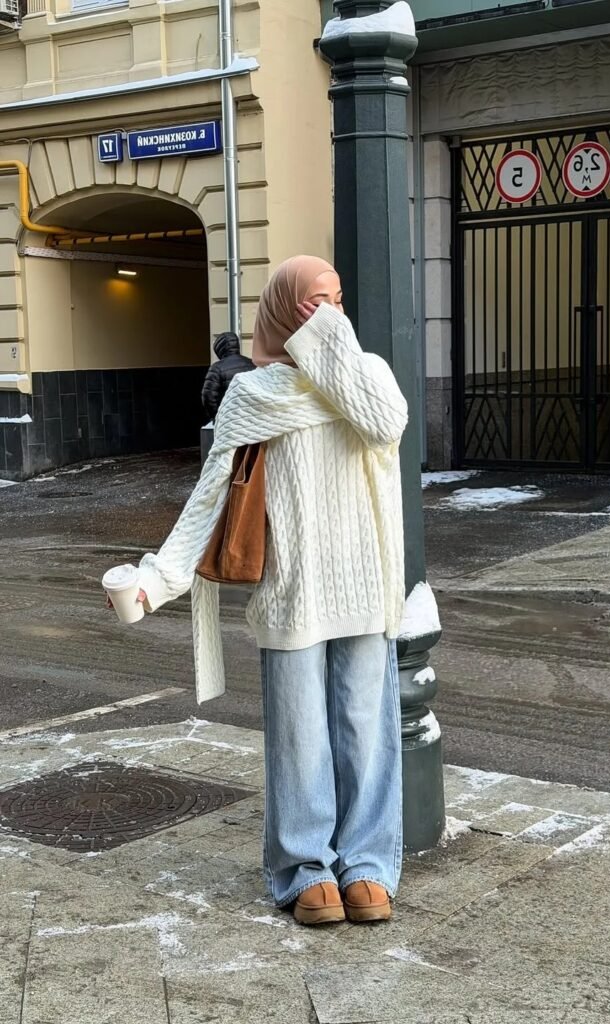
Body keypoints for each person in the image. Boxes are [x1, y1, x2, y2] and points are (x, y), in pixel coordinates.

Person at [111, 255, 408, 926]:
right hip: (291, 593)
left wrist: (326, 341)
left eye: (334, 300)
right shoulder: (253, 395)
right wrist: (158, 578)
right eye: (309, 305)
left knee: (366, 733)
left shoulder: (367, 377)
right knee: (300, 739)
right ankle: (304, 871)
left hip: (367, 589)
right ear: (277, 312)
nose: (325, 315)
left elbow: (383, 423)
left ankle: (366, 866)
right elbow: (210, 497)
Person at [200, 331, 254, 423]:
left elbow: (208, 397)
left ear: (219, 349)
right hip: (251, 418)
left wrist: (217, 417)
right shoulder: (252, 364)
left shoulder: (217, 368)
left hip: (228, 421)